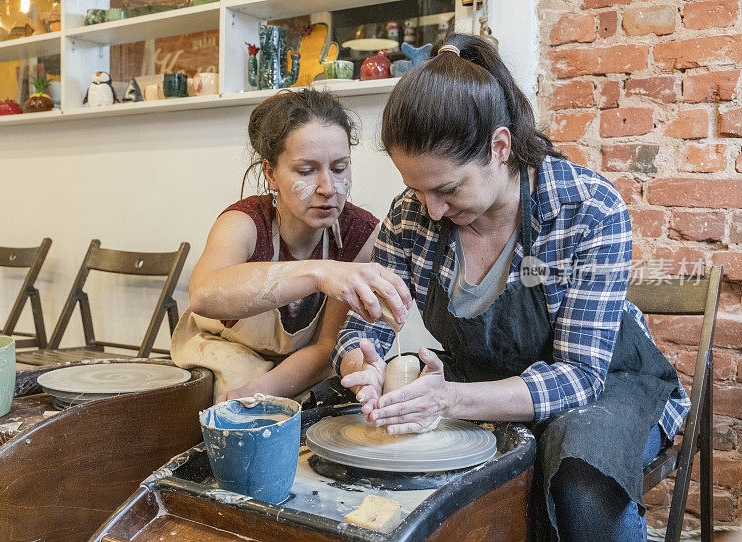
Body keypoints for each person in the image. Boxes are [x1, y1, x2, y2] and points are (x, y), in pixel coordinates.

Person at [332, 34, 690, 541]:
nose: (431, 209)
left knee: (580, 484)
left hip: (605, 383)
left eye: (448, 189)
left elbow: (580, 376)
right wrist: (361, 366)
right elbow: (366, 324)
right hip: (483, 378)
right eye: (417, 188)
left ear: (500, 148)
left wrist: (449, 400)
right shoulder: (412, 216)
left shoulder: (586, 209)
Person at [171, 88, 411, 405]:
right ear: (271, 173)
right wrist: (319, 272)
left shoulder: (360, 234)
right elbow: (203, 296)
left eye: (339, 168)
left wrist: (254, 393)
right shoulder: (244, 223)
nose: (328, 188)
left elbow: (327, 347)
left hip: (301, 370)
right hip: (219, 357)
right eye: (306, 171)